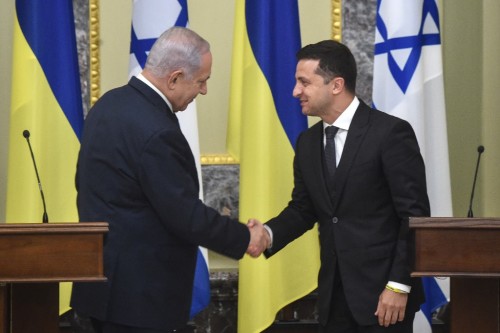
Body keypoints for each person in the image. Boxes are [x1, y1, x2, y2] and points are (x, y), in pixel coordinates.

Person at [71, 27, 269, 333]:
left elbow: (84, 184)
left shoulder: (107, 106)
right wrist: (246, 238)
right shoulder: (157, 130)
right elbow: (185, 215)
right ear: (175, 78)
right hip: (141, 302)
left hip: (102, 287)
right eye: (201, 81)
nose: (203, 91)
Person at [258, 40, 429, 332]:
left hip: (385, 299)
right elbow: (303, 209)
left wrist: (399, 286)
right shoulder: (308, 143)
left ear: (336, 85)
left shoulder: (390, 134)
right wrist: (266, 234)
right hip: (334, 299)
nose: (295, 92)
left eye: (304, 82)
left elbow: (414, 218)